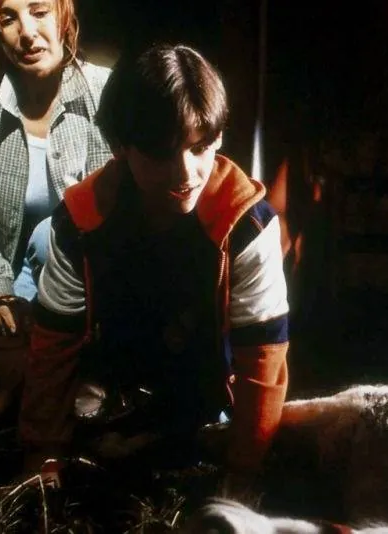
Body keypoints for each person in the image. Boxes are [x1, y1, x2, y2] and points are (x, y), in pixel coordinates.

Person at [18, 43, 290, 488]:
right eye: (162, 154)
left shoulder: (246, 223)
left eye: (199, 147)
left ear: (218, 137)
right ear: (120, 147)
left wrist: (245, 468)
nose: (186, 174)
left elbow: (263, 355)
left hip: (205, 388)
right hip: (110, 384)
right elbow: (53, 346)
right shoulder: (80, 220)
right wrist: (43, 452)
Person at [0, 0, 112, 334]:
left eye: (39, 12)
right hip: (16, 302)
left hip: (98, 292)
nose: (27, 33)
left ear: (63, 13)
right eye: (8, 19)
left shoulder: (108, 96)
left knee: (49, 236)